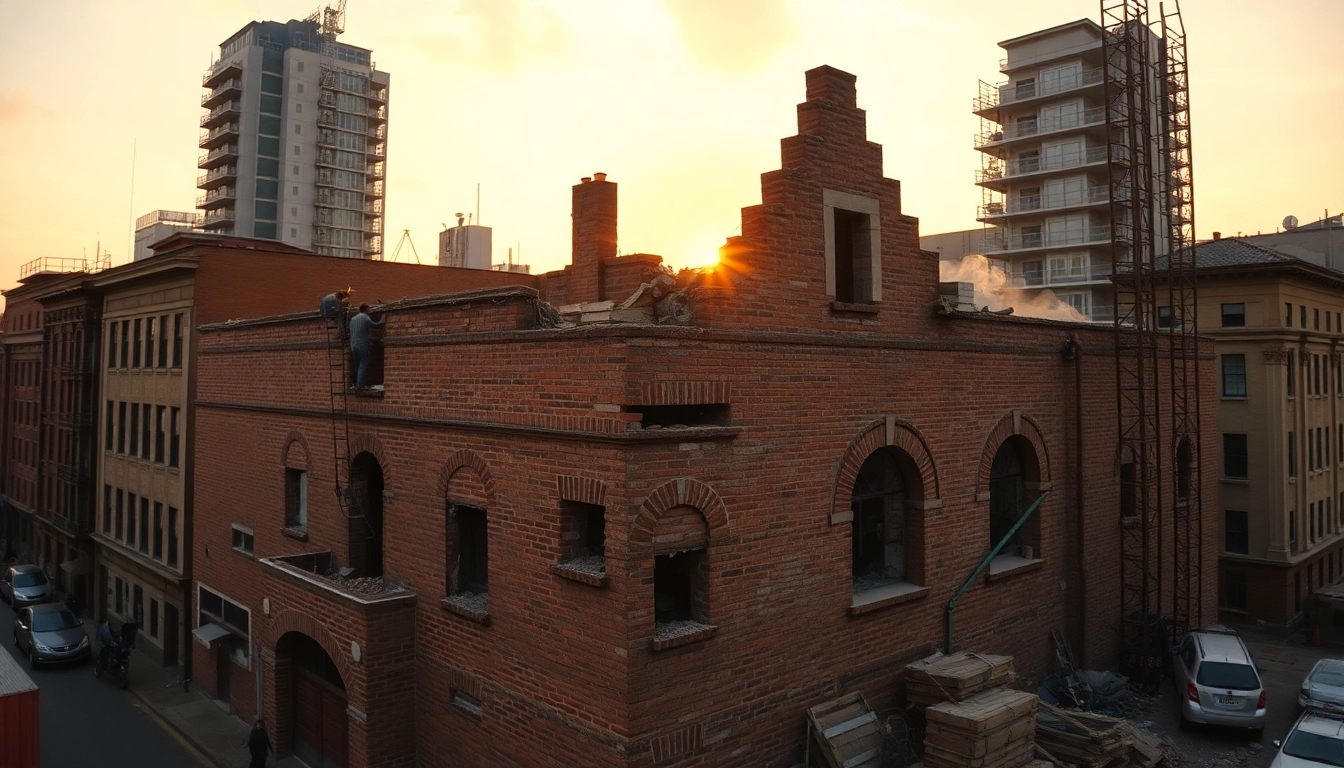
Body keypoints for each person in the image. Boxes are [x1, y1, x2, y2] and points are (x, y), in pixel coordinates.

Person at [349, 303, 385, 389]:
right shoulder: (365, 317)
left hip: (353, 345)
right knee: (363, 364)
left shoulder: (353, 319)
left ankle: (356, 383)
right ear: (366, 310)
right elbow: (374, 325)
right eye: (368, 310)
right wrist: (382, 321)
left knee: (357, 365)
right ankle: (360, 385)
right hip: (362, 344)